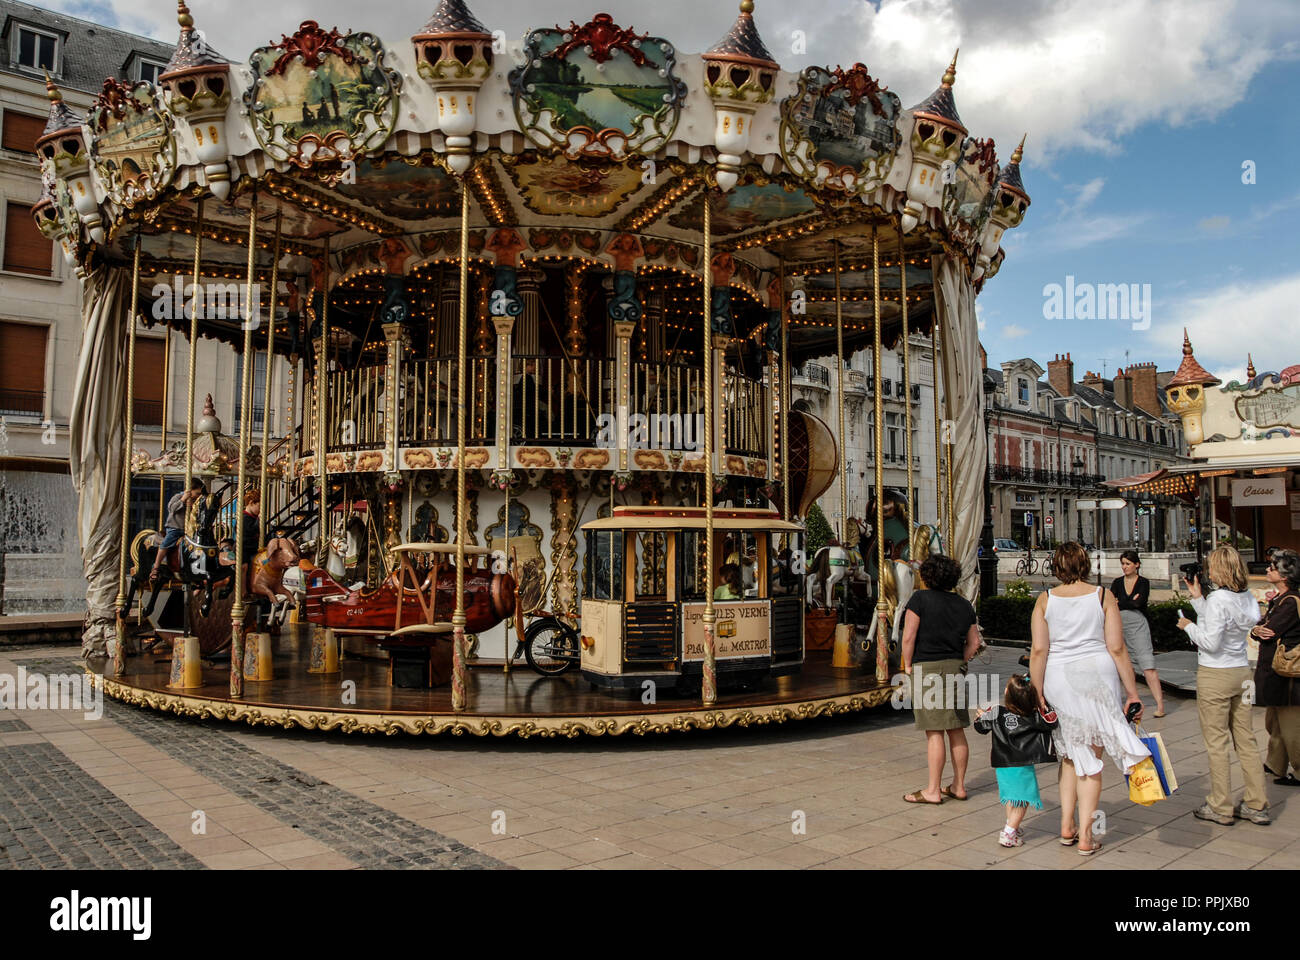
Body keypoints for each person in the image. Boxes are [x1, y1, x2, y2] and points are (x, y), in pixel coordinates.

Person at [1030, 541, 1149, 855]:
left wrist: (1037, 692)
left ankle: (1066, 826)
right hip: (1096, 676)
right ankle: (1085, 835)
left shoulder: (1045, 599)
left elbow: (1039, 650)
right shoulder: (1102, 596)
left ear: (1056, 566)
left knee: (1070, 755)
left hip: (1059, 678)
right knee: (1090, 759)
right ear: (1086, 565)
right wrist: (1133, 693)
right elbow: (1117, 648)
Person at [1177, 544, 1269, 824]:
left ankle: (1220, 805)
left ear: (1219, 569)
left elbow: (1211, 641)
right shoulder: (1246, 598)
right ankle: (1257, 803)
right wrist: (1197, 599)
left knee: (1217, 742)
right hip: (1240, 671)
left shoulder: (1218, 599)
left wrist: (1188, 626)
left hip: (1215, 674)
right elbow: (1227, 626)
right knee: (1246, 740)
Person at [900, 554, 982, 805]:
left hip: (928, 667)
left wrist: (906, 666)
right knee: (956, 729)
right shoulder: (964, 604)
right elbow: (975, 642)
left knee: (934, 732)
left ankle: (933, 790)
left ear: (927, 575)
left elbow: (908, 637)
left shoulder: (919, 599)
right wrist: (962, 660)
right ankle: (958, 785)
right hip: (954, 667)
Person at [974, 675, 1059, 847]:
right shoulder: (1032, 716)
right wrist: (1043, 704)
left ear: (1008, 694)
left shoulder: (997, 712)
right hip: (1022, 764)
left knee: (1012, 797)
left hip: (1002, 763)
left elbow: (980, 727)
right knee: (1023, 798)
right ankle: (1009, 832)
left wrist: (982, 717)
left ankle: (1013, 825)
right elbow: (1052, 722)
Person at [1251, 548, 1300, 789]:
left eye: (1272, 567)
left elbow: (1270, 630)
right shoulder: (1279, 600)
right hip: (1276, 671)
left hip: (1288, 673)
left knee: (1291, 726)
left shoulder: (1290, 601)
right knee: (1275, 722)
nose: (1267, 570)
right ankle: (1275, 763)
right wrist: (1257, 629)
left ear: (1284, 575)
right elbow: (1260, 628)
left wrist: (1258, 630)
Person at [1111, 550, 1166, 717]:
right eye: (1123, 564)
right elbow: (1112, 603)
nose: (1124, 567)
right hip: (1119, 625)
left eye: (1127, 563)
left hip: (1138, 625)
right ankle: (1131, 701)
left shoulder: (1143, 582)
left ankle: (1160, 705)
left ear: (1137, 565)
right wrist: (1128, 601)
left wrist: (1123, 602)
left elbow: (1138, 603)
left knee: (1147, 664)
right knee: (1124, 665)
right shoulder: (1117, 582)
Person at [151, 478, 205, 581]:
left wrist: (194, 506)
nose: (198, 496)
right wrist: (183, 500)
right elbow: (171, 509)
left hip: (190, 530)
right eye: (197, 493)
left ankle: (196, 569)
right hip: (175, 528)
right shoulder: (178, 497)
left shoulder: (197, 501)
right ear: (189, 490)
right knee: (165, 544)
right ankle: (156, 567)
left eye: (200, 493)